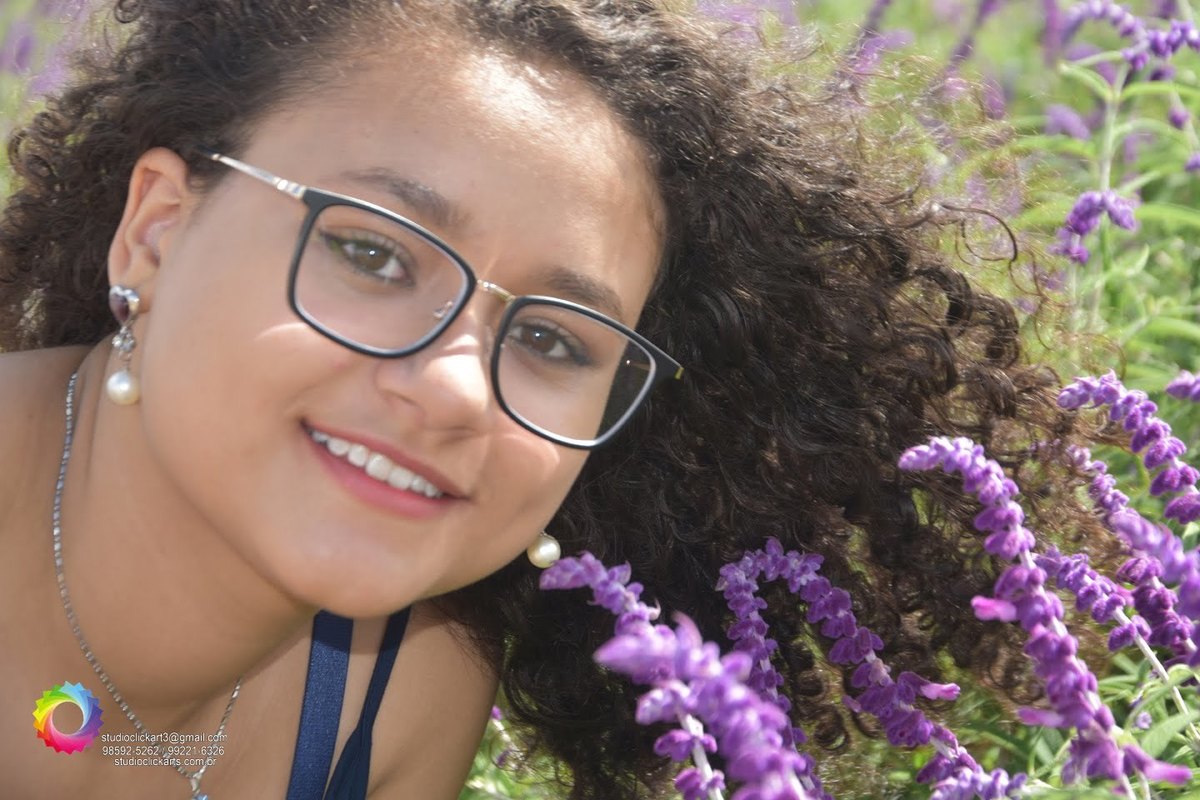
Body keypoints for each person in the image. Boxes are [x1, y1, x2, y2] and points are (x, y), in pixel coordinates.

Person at [0, 1, 1110, 798]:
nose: (451, 389)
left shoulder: (398, 693)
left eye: (549, 339)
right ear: (156, 229)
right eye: (373, 255)